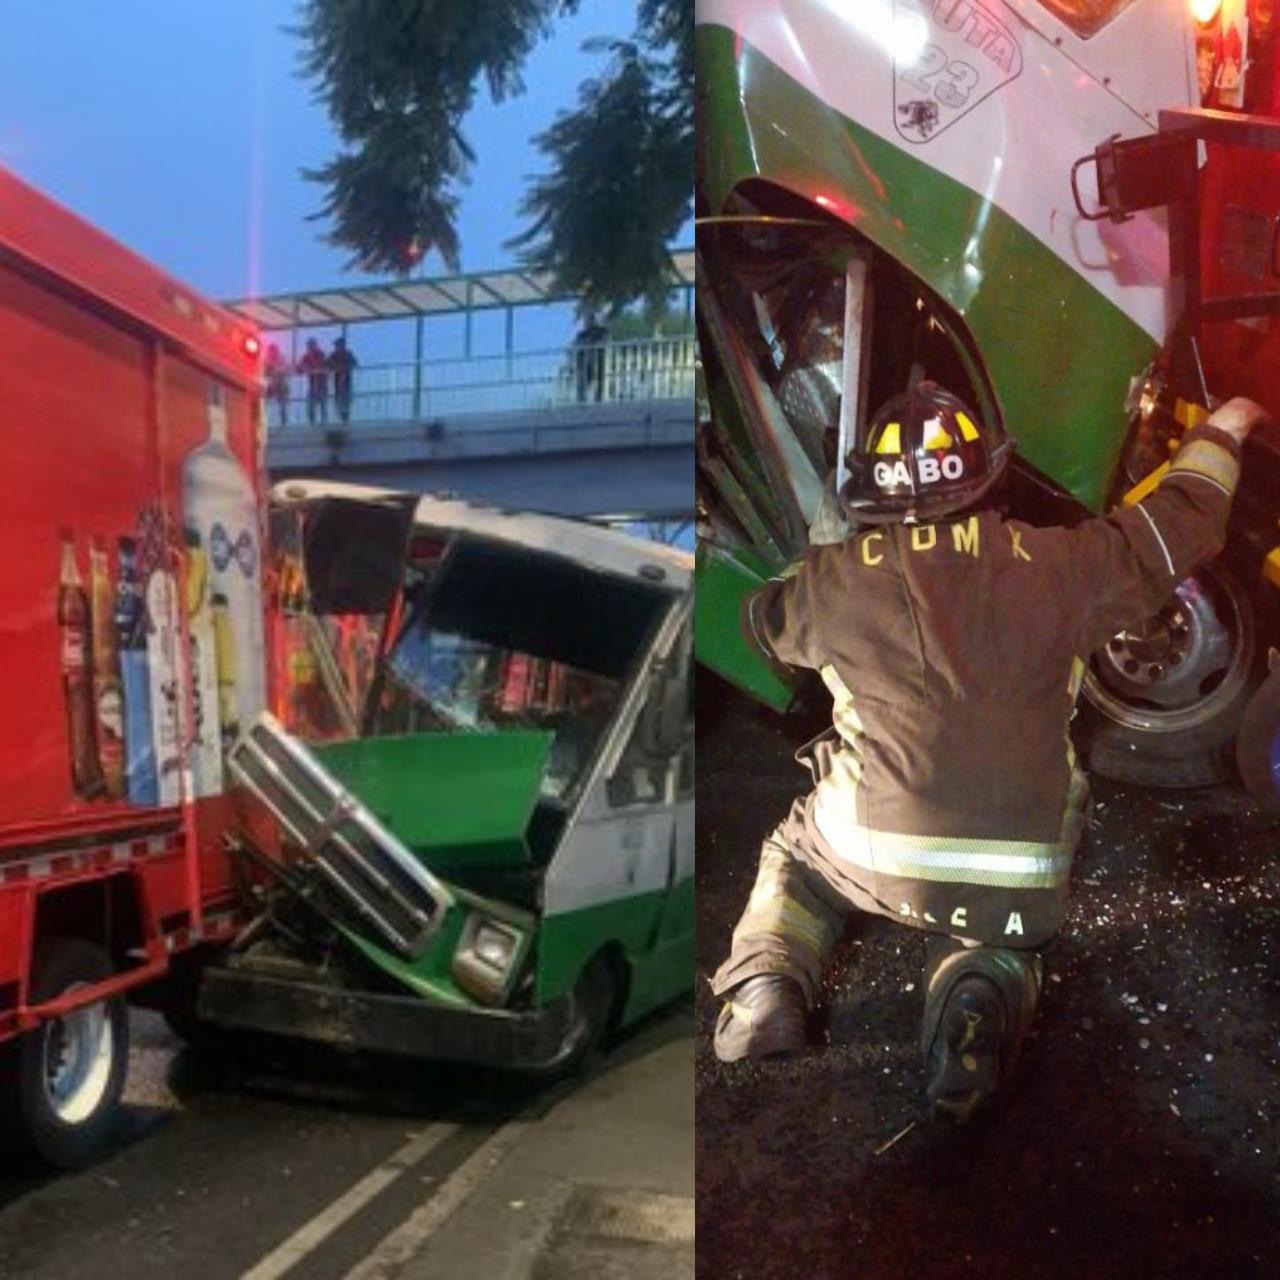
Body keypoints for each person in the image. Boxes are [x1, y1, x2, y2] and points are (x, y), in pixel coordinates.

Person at [711, 382, 1267, 1121]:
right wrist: (1229, 422)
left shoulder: (834, 581)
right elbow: (1179, 523)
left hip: (869, 850)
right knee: (1009, 904)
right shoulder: (1059, 564)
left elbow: (761, 626)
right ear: (985, 476)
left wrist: (819, 569)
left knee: (796, 856)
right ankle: (983, 980)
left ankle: (766, 988)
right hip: (1017, 869)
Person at [573, 317, 608, 403]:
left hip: (597, 361)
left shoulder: (601, 332)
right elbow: (578, 347)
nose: (588, 323)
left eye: (590, 321)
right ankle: (581, 399)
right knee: (583, 381)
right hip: (585, 362)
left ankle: (598, 397)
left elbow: (604, 342)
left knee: (599, 379)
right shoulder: (582, 335)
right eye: (587, 321)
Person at [298, 338, 329, 425]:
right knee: (310, 405)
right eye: (309, 346)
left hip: (322, 383)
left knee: (323, 404)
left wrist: (310, 368)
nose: (310, 348)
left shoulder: (320, 354)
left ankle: (324, 423)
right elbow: (300, 366)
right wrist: (302, 368)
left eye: (311, 346)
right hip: (312, 384)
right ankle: (312, 423)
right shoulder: (306, 356)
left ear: (315, 346)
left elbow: (322, 364)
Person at [328, 336, 358, 424]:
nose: (336, 347)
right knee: (338, 400)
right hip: (337, 381)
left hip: (346, 381)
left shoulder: (348, 354)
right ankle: (342, 417)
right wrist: (334, 367)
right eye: (336, 345)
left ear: (343, 345)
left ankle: (345, 417)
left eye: (338, 345)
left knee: (346, 399)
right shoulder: (333, 355)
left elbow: (355, 363)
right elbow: (327, 364)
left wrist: (346, 367)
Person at [263, 343, 291, 427]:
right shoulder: (266, 360)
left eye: (273, 351)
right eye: (270, 351)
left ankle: (284, 423)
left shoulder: (281, 358)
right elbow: (263, 371)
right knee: (263, 403)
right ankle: (263, 423)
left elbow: (285, 369)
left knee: (283, 405)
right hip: (272, 384)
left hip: (282, 384)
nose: (271, 353)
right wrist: (267, 369)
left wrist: (275, 369)